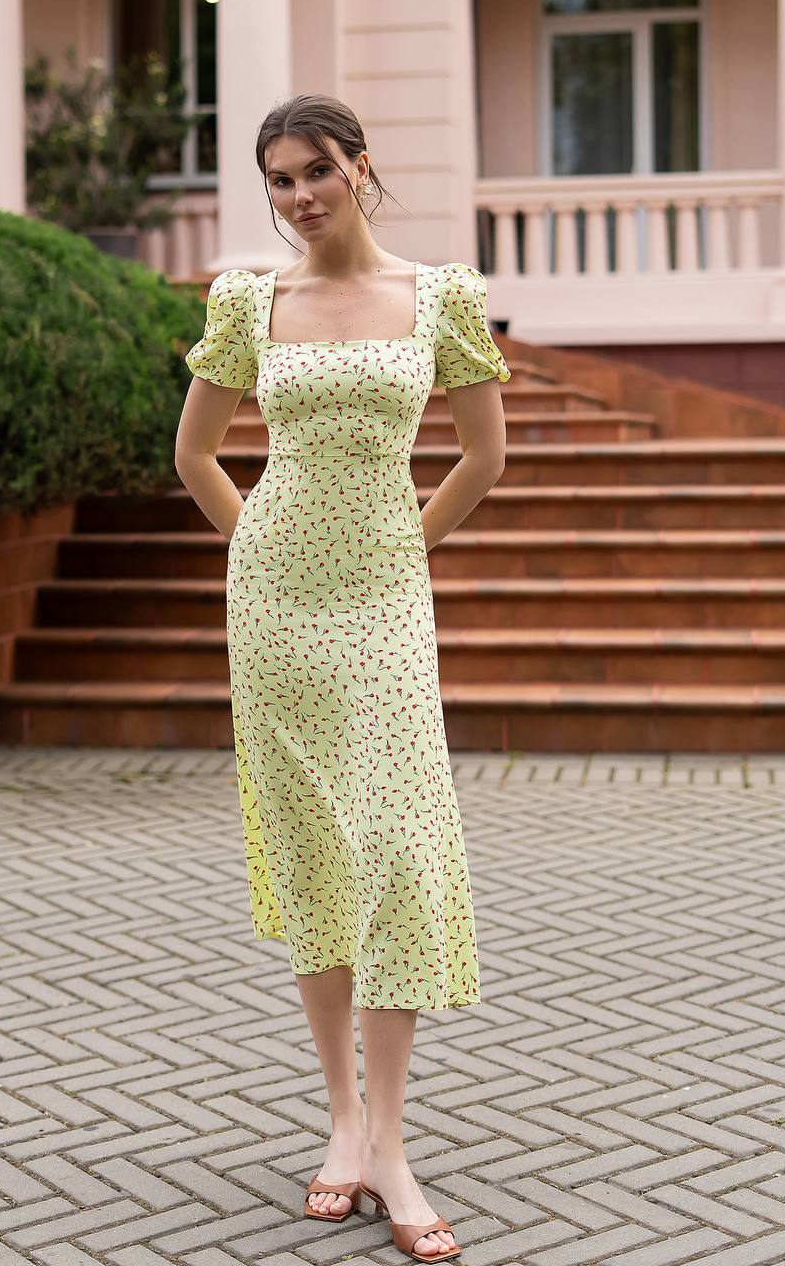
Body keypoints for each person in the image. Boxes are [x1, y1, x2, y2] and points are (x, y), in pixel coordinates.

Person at [175, 93, 510, 1262]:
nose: (299, 196)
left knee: (397, 845)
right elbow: (196, 452)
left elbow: (483, 452)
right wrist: (254, 547)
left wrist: (403, 545)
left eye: (316, 169)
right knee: (318, 842)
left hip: (381, 601)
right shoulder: (246, 300)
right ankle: (340, 1122)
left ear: (360, 168)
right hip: (275, 607)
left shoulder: (440, 296)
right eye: (277, 179)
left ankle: (394, 1140)